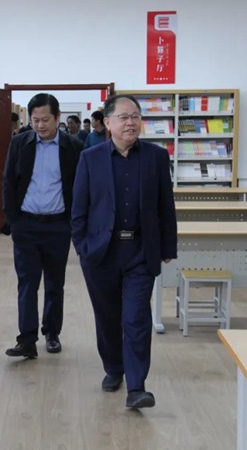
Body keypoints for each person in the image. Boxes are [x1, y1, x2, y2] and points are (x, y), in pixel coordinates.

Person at [71, 94, 177, 410]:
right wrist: (82, 247)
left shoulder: (157, 157)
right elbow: (79, 208)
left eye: (135, 116)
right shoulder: (90, 158)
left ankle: (137, 386)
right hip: (101, 252)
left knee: (136, 318)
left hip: (140, 251)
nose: (131, 122)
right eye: (123, 117)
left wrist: (167, 246)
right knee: (107, 316)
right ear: (108, 122)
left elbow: (166, 206)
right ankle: (113, 367)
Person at [2, 93, 83, 358]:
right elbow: (8, 182)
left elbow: (80, 188)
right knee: (27, 283)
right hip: (26, 225)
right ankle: (26, 339)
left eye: (45, 120)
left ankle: (52, 333)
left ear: (57, 117)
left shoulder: (74, 147)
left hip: (58, 226)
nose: (39, 125)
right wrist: (13, 220)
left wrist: (74, 224)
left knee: (54, 283)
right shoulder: (20, 143)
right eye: (35, 120)